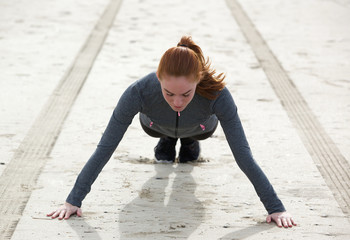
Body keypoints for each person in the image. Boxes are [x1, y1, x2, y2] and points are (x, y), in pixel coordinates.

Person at [47, 36, 296, 228]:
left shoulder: (218, 94)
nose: (177, 101)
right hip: (155, 125)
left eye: (186, 94)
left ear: (198, 80)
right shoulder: (139, 91)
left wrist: (275, 207)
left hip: (200, 127)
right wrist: (73, 200)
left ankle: (186, 141)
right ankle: (168, 139)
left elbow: (243, 156)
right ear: (158, 78)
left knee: (191, 144)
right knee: (165, 133)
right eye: (169, 93)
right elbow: (105, 148)